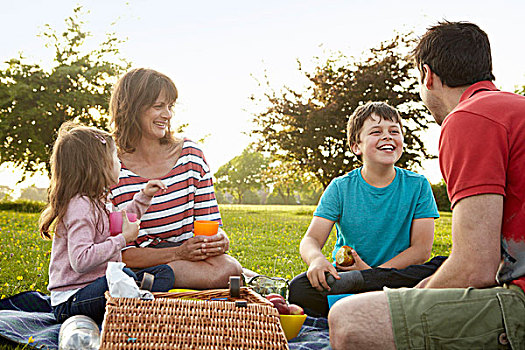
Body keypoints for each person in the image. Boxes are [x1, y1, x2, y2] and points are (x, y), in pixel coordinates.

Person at [329, 21, 525, 349]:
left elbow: (475, 267)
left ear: (426, 75)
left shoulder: (469, 118)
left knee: (349, 319)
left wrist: (412, 299)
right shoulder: (514, 109)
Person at [288, 101, 443, 317]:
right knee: (299, 288)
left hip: (396, 276)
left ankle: (354, 307)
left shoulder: (418, 185)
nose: (388, 136)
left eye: (394, 131)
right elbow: (311, 239)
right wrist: (316, 259)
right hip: (351, 279)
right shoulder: (340, 188)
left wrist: (372, 275)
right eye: (376, 132)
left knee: (442, 266)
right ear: (356, 146)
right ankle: (380, 306)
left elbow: (421, 250)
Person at [109, 68, 244, 289]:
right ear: (132, 108)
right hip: (137, 261)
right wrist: (177, 253)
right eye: (158, 106)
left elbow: (209, 224)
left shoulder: (190, 156)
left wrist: (220, 239)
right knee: (118, 267)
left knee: (229, 269)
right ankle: (138, 283)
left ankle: (144, 285)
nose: (168, 115)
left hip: (187, 260)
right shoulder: (110, 165)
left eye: (170, 106)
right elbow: (117, 252)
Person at [40, 122, 174, 324]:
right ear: (97, 165)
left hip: (97, 288)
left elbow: (121, 221)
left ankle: (132, 299)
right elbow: (81, 260)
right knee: (124, 275)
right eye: (115, 157)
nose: (120, 163)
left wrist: (144, 196)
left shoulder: (99, 200)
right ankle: (135, 302)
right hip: (71, 301)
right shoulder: (80, 206)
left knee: (164, 274)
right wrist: (122, 240)